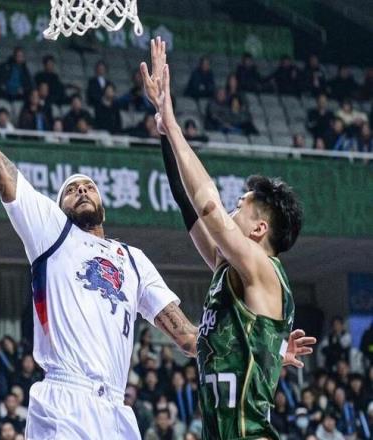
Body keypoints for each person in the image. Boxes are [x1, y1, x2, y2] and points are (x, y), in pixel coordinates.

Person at [0, 23, 202, 440]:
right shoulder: (51, 233)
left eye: (88, 186)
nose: (81, 190)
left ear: (103, 202)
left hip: (116, 410)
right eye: (71, 190)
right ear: (58, 207)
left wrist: (266, 349)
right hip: (64, 399)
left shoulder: (133, 260)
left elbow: (188, 337)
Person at [141, 36, 316, 440]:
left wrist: (172, 123)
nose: (229, 213)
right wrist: (163, 131)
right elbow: (189, 206)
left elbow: (207, 207)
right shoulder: (231, 270)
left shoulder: (262, 267)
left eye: (240, 206)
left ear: (259, 230)